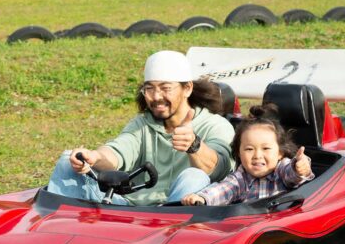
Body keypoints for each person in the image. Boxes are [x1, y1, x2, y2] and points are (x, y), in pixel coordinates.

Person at [48, 50, 236, 206]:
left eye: (165, 88)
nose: (155, 97)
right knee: (67, 160)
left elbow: (220, 168)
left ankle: (173, 236)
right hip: (134, 209)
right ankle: (59, 235)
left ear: (187, 88)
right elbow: (119, 150)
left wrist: (195, 146)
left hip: (179, 215)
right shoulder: (142, 124)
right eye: (149, 89)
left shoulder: (216, 126)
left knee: (194, 176)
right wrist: (94, 157)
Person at [181, 103, 315, 206]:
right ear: (239, 153)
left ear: (280, 153)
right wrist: (203, 198)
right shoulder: (240, 178)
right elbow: (224, 189)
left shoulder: (281, 169)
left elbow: (291, 175)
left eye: (266, 148)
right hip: (250, 231)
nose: (257, 155)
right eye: (249, 149)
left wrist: (300, 167)